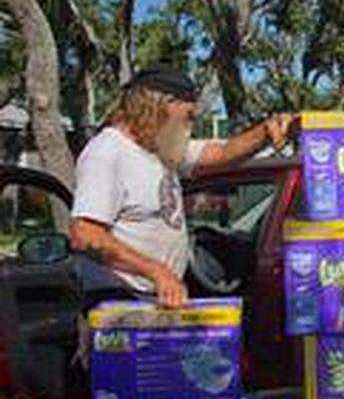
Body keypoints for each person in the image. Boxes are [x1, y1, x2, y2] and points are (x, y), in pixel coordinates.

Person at [69, 65, 292, 308]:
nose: (190, 126)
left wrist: (266, 131)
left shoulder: (162, 147)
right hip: (119, 298)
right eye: (188, 116)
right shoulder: (108, 152)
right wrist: (156, 271)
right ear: (161, 105)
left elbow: (223, 153)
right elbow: (85, 235)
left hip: (155, 295)